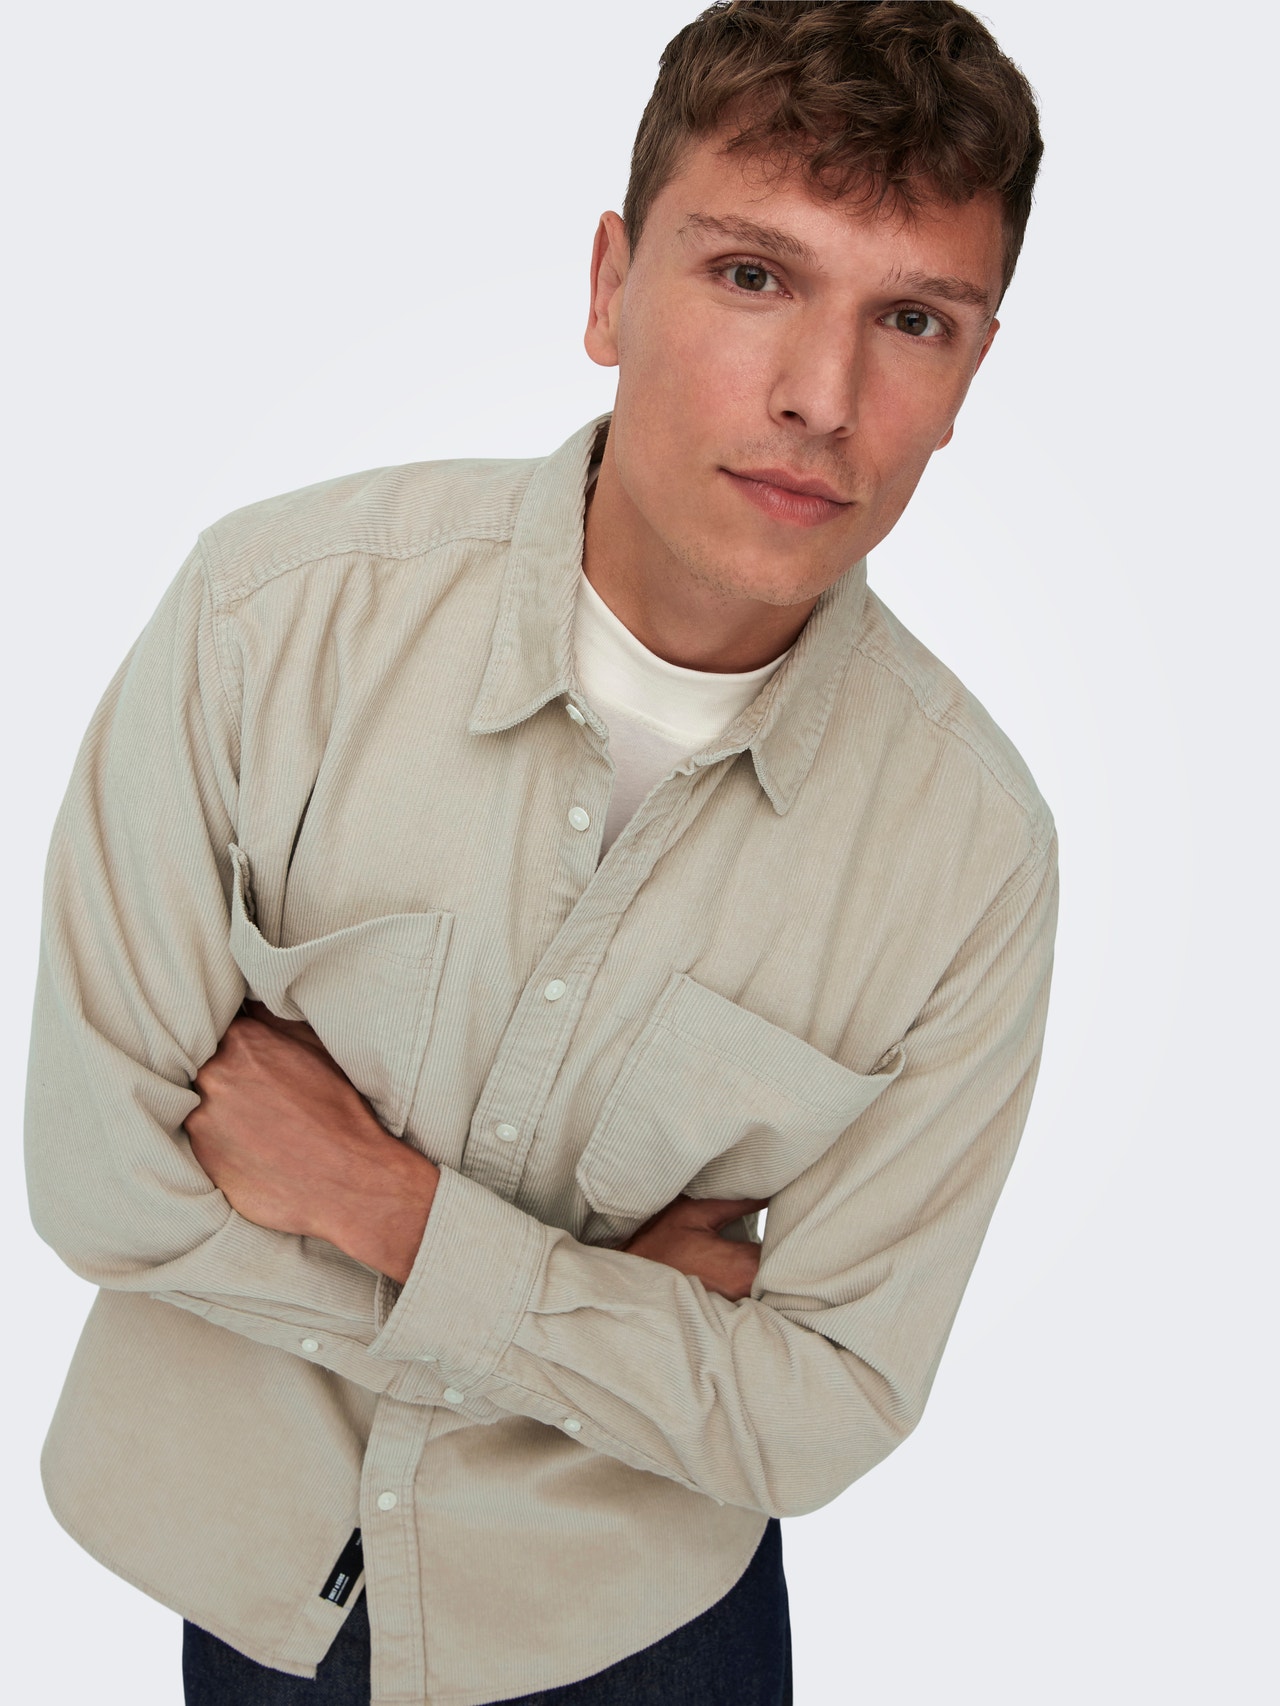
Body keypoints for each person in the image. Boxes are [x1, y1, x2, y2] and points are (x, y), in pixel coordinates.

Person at [24, 3, 1055, 1702]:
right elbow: (98, 1179)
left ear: (969, 376)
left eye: (913, 319)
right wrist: (605, 1319)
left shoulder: (971, 856)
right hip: (255, 1582)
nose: (822, 397)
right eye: (752, 276)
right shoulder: (266, 622)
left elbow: (823, 1403)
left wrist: (385, 1207)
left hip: (645, 1624)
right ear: (608, 286)